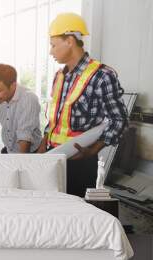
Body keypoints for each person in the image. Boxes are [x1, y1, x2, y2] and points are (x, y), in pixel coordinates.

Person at [37, 13, 128, 197]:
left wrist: (94, 149)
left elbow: (119, 120)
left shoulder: (102, 76)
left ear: (70, 41)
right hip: (52, 156)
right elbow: (56, 119)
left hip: (80, 162)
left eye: (53, 45)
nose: (50, 51)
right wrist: (42, 146)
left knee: (73, 217)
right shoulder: (59, 76)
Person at [0, 64, 42, 154]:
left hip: (30, 153)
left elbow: (24, 135)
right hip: (9, 150)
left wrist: (21, 164)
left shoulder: (28, 99)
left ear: (13, 85)